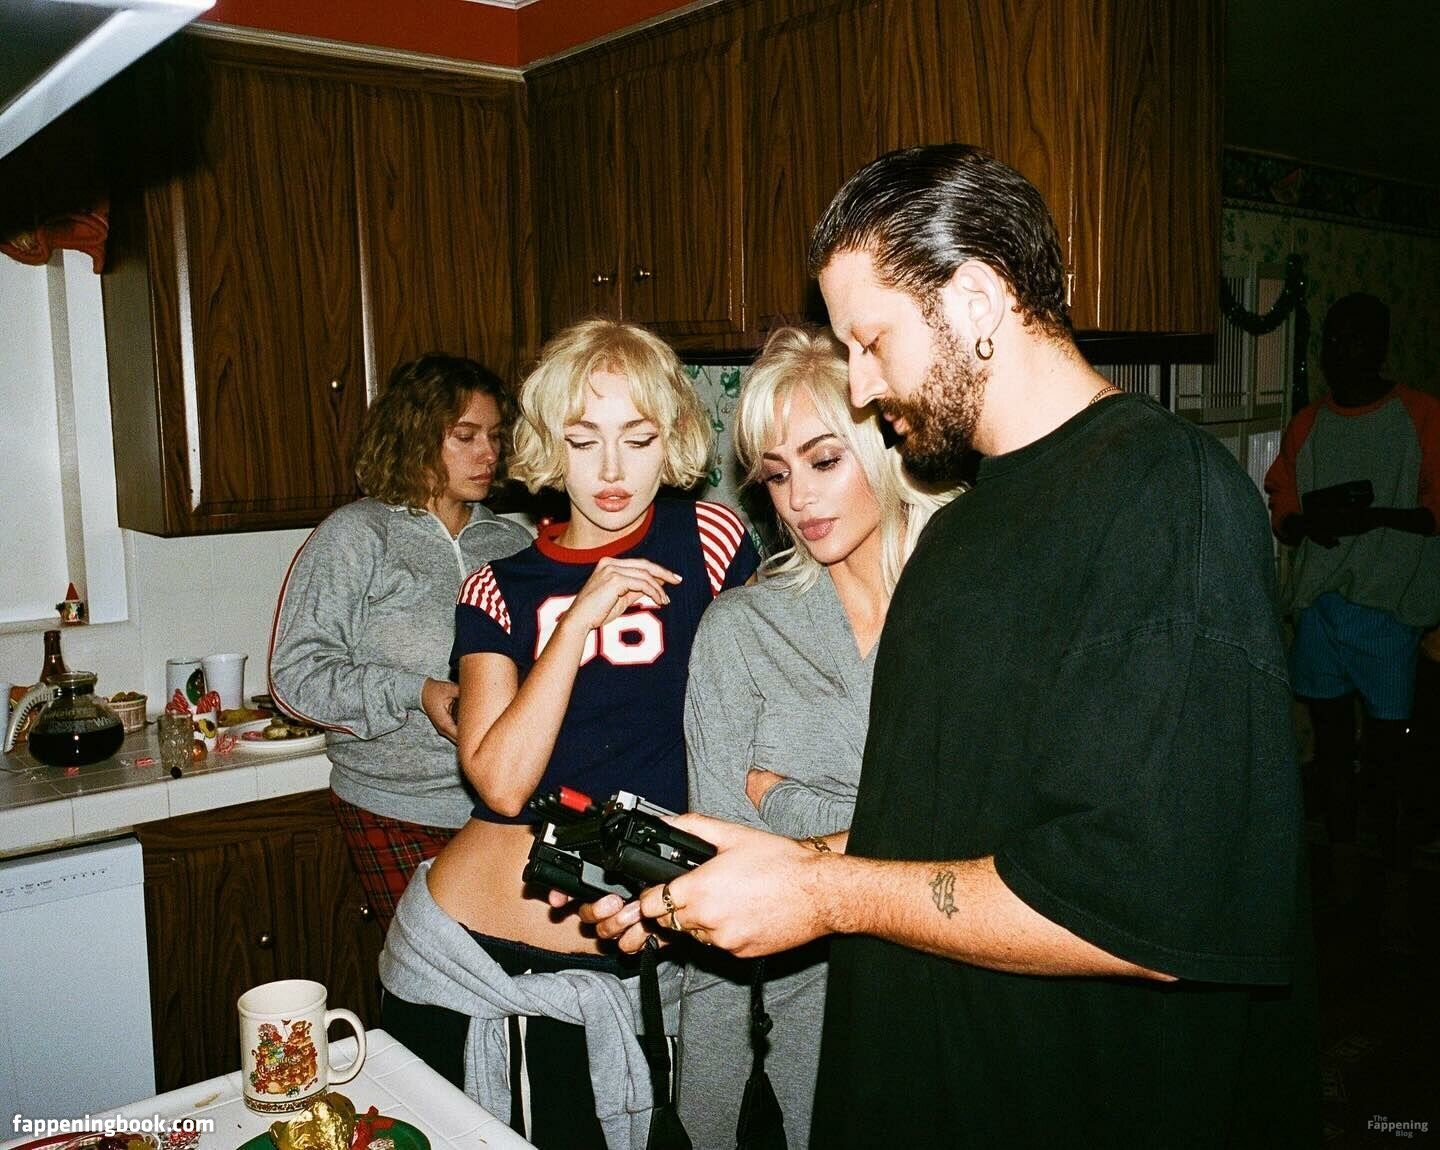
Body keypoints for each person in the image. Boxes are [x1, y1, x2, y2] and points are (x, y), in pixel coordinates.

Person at [584, 144, 1319, 1147]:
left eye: (871, 340)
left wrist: (822, 893)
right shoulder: (962, 534)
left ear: (976, 299)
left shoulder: (1166, 500)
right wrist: (766, 865)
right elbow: (951, 831)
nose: (859, 382)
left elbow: (1147, 908)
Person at [378, 319, 760, 1150]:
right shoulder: (499, 586)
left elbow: (764, 716)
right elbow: (501, 782)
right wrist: (580, 616)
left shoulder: (709, 542)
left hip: (630, 965)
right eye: (584, 441)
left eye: (638, 438)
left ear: (674, 437)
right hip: (460, 960)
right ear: (551, 445)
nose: (612, 470)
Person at [676, 326, 952, 1148]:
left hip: (963, 996)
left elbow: (999, 839)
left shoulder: (968, 603)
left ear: (887, 442)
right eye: (775, 473)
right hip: (807, 1024)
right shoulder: (740, 631)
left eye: (824, 460)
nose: (797, 499)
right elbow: (721, 886)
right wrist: (705, 1125)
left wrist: (789, 805)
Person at [269, 353, 531, 931]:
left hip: (505, 804)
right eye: (465, 436)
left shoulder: (512, 544)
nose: (488, 454)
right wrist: (417, 692)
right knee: (437, 967)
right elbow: (296, 676)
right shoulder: (358, 536)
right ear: (414, 437)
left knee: (508, 973)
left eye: (494, 436)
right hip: (394, 807)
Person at [1263, 293, 1440, 889]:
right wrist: (1305, 522)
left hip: (1389, 612)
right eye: (1333, 341)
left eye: (1356, 339)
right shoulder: (1309, 422)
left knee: (1389, 755)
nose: (1342, 352)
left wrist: (1377, 517)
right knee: (1333, 746)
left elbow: (1435, 509)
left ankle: (1393, 871)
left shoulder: (1421, 416)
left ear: (1381, 346)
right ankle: (1341, 857)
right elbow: (1284, 499)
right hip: (1321, 609)